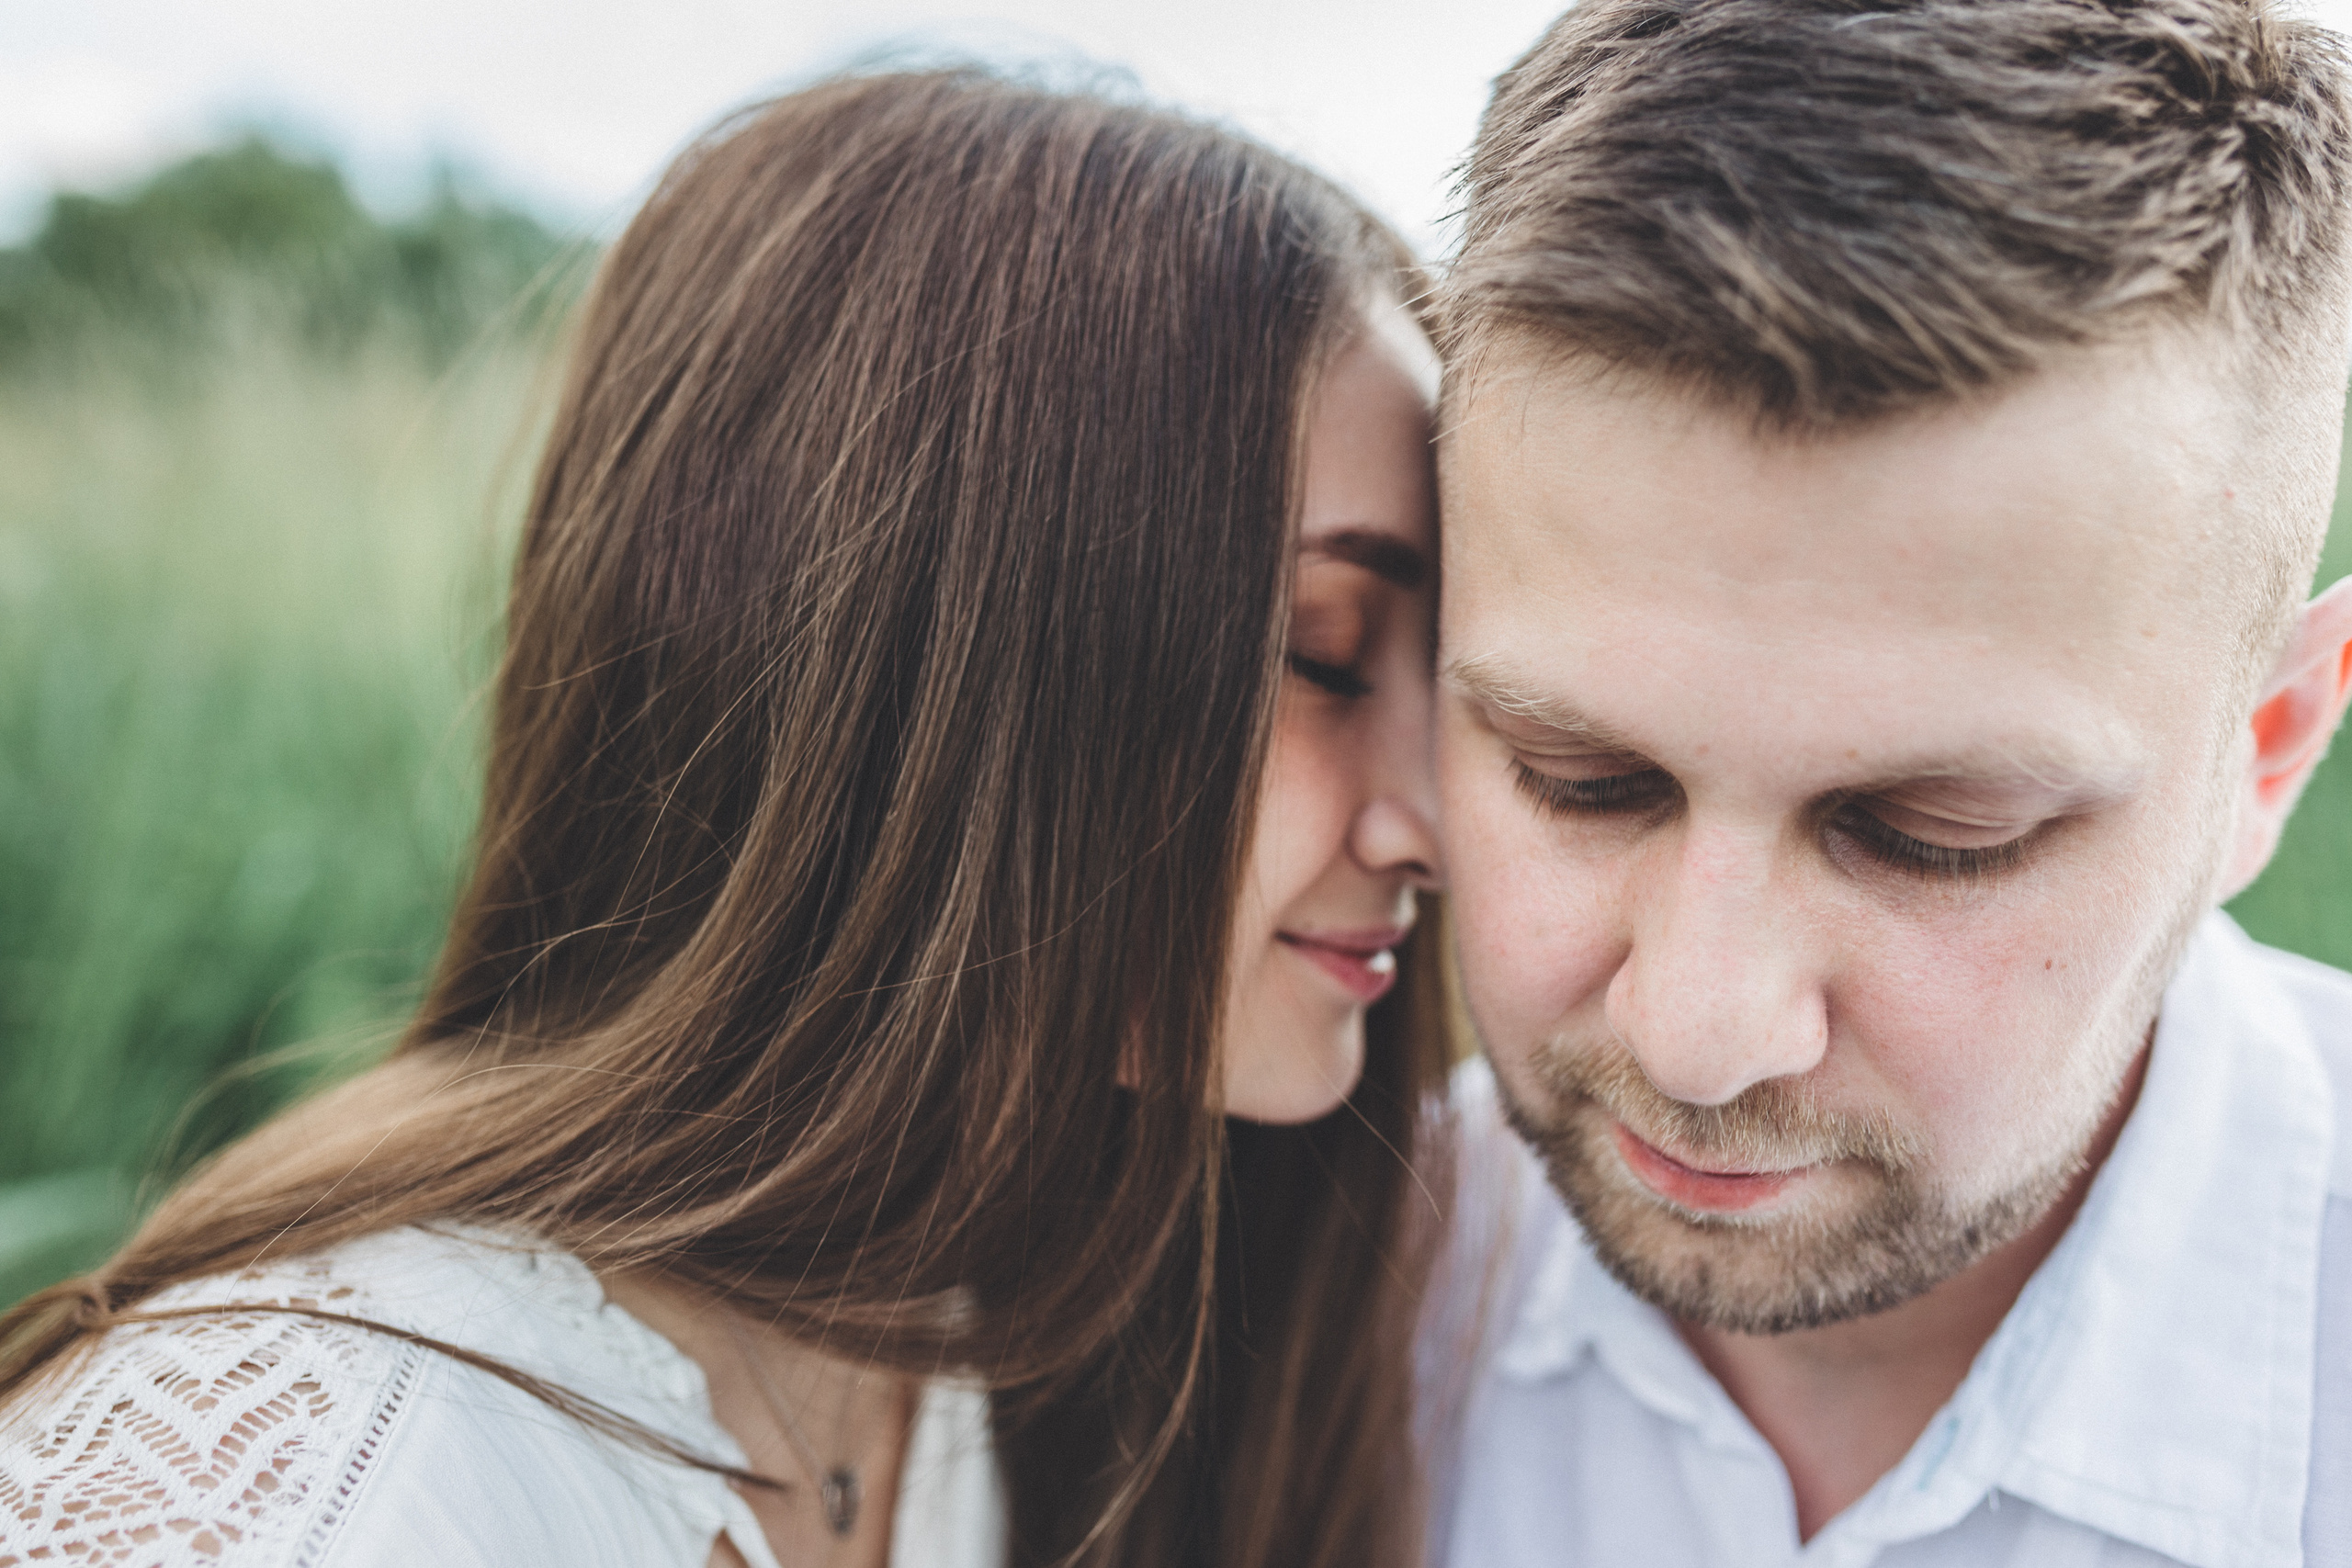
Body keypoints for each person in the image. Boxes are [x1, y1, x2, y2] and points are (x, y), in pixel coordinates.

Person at [0, 71, 1452, 1568]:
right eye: (1323, 647)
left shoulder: (972, 1336)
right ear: (920, 675)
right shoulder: (326, 1495)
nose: (1439, 827)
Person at [1426, 1, 2352, 1564]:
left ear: (2268, 751)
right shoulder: (1276, 1297)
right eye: (1582, 780)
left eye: (1935, 837)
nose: (1702, 1039)